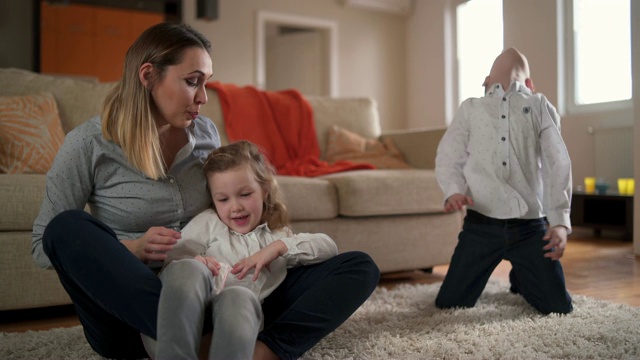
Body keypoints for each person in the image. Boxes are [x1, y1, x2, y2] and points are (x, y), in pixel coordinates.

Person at [33, 21, 379, 359]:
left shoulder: (206, 135)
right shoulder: (87, 144)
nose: (202, 98)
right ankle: (192, 337)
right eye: (192, 82)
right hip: (135, 309)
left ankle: (261, 350)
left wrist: (271, 246)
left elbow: (236, 195)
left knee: (358, 268)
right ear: (148, 76)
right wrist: (132, 250)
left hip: (222, 291)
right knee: (66, 228)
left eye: (206, 83)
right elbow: (43, 247)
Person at [142, 140, 340, 359]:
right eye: (223, 199)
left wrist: (275, 249)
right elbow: (172, 266)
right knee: (187, 269)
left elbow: (328, 247)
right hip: (181, 322)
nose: (235, 207)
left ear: (265, 190)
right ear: (213, 200)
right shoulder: (209, 222)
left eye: (245, 195)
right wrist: (198, 261)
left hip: (232, 328)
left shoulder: (276, 237)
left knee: (240, 297)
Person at [434, 47, 573, 315]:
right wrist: (454, 190)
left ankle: (523, 273)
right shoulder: (472, 108)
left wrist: (559, 221)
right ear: (485, 83)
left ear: (530, 86)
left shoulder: (539, 105)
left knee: (558, 306)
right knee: (450, 303)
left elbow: (558, 163)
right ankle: (523, 270)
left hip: (531, 227)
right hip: (481, 224)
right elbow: (448, 155)